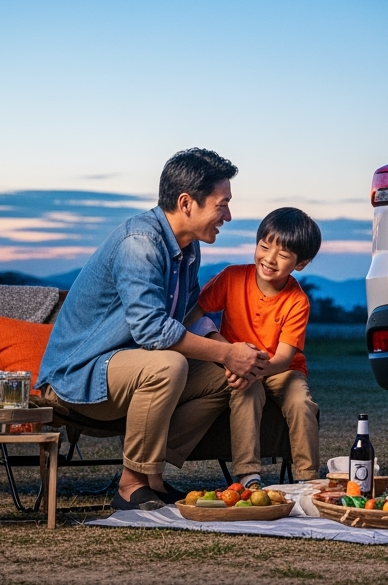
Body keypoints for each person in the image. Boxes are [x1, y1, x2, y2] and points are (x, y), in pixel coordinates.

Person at [37, 148, 270, 511]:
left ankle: (153, 477)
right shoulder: (140, 244)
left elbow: (191, 314)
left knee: (226, 376)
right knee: (168, 364)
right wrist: (228, 353)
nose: (227, 215)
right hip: (79, 376)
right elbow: (152, 331)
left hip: (132, 369)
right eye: (221, 204)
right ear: (186, 202)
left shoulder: (187, 249)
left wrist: (234, 355)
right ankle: (131, 484)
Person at [190, 207, 323, 487]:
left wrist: (253, 368)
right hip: (237, 364)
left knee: (301, 403)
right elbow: (195, 312)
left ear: (301, 263)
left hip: (279, 369)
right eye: (264, 246)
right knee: (245, 393)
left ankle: (307, 480)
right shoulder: (232, 277)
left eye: (283, 255)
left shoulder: (297, 301)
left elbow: (285, 358)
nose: (270, 259)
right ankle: (248, 475)